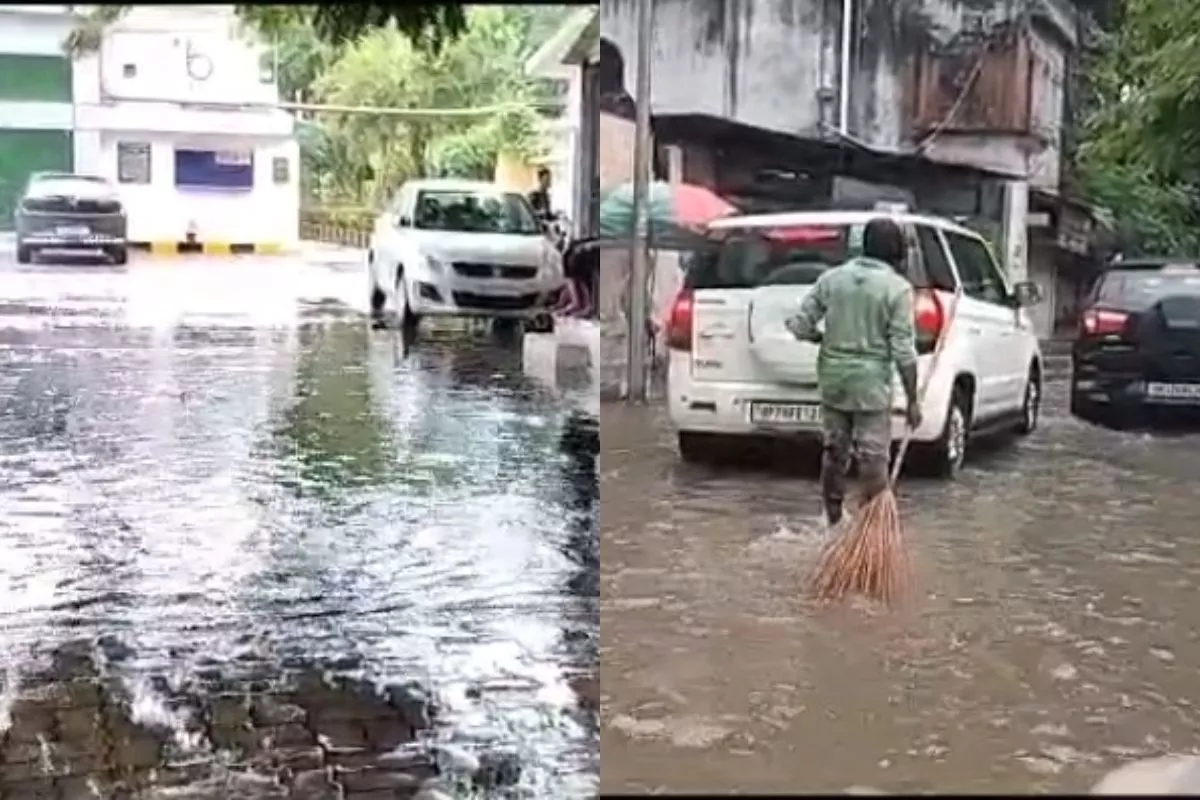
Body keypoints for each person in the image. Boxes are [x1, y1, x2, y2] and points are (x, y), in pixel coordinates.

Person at [785, 217, 922, 528]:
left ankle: (833, 518)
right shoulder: (898, 289)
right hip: (871, 386)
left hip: (833, 379)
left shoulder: (832, 279)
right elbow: (903, 351)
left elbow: (799, 324)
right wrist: (913, 399)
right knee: (873, 457)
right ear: (896, 252)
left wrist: (820, 339)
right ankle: (871, 530)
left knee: (835, 451)